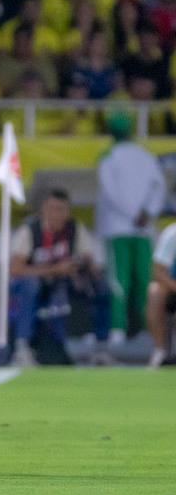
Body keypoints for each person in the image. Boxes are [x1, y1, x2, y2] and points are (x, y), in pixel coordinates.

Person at [9, 189, 112, 366]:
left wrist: (83, 267)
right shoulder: (30, 231)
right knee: (30, 286)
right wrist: (54, 270)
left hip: (64, 280)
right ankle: (23, 347)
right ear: (44, 210)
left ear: (68, 211)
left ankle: (100, 347)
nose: (57, 214)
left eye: (62, 209)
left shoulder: (74, 229)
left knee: (101, 288)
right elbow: (17, 269)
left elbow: (89, 260)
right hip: (36, 280)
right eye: (53, 208)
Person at [97, 114, 166, 345]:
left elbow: (110, 191)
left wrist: (131, 213)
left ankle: (118, 328)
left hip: (119, 227)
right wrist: (147, 212)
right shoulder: (146, 157)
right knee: (144, 280)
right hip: (143, 228)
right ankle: (148, 329)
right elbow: (160, 187)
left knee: (119, 279)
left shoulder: (108, 156)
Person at [146, 222, 176, 367]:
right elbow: (157, 272)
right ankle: (160, 351)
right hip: (172, 289)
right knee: (155, 291)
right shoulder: (172, 234)